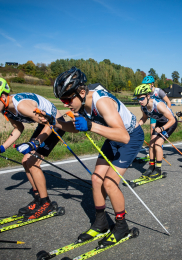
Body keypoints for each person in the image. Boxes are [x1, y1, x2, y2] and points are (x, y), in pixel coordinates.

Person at [39, 67, 144, 247]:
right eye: (61, 100)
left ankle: (121, 226)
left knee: (109, 182)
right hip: (112, 136)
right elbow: (75, 127)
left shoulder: (101, 102)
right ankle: (101, 222)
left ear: (81, 92)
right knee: (96, 179)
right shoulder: (80, 103)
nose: (65, 104)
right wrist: (54, 122)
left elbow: (124, 137)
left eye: (66, 98)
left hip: (130, 137)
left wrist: (91, 126)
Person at [0, 77, 65, 219]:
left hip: (56, 124)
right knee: (26, 161)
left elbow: (49, 123)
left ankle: (46, 204)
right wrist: (1, 148)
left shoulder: (21, 106)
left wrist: (34, 143)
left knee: (32, 162)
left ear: (3, 97)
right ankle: (38, 199)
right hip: (44, 124)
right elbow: (18, 128)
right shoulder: (6, 109)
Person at [134, 84, 177, 178]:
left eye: (141, 98)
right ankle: (151, 167)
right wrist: (135, 126)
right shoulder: (143, 107)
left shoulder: (158, 105)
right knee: (151, 144)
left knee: (158, 143)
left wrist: (162, 129)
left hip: (169, 123)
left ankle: (158, 169)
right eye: (138, 99)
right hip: (160, 123)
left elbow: (172, 120)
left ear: (148, 96)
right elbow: (144, 118)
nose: (140, 101)